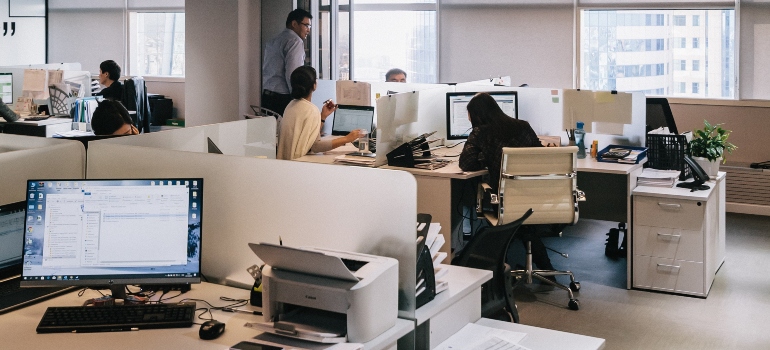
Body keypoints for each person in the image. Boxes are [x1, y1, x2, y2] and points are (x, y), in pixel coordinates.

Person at [458, 92, 556, 272]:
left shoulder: (481, 131)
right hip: (534, 198)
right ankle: (547, 270)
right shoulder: (523, 126)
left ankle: (496, 269)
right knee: (527, 227)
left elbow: (466, 163)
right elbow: (541, 155)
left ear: (476, 115)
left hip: (504, 201)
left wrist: (483, 156)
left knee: (512, 218)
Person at [277, 66, 361, 160]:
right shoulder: (311, 110)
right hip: (298, 165)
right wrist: (347, 139)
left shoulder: (291, 105)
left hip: (285, 164)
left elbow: (308, 137)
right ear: (314, 85)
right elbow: (316, 146)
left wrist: (323, 117)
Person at [262, 9, 313, 117]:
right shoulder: (295, 41)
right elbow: (294, 75)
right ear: (294, 24)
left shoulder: (274, 40)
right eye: (306, 26)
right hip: (283, 99)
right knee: (289, 133)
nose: (308, 30)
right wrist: (299, 100)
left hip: (267, 97)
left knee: (272, 133)